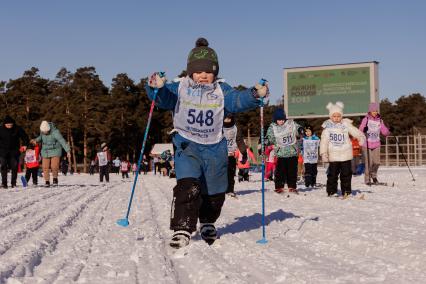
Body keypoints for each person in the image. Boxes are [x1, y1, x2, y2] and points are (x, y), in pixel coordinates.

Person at [145, 37, 268, 248]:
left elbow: (237, 101)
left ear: (215, 73)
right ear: (190, 71)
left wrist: (254, 94)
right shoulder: (180, 87)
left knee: (215, 191)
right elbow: (163, 98)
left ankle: (208, 221)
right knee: (188, 186)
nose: (203, 75)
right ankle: (182, 228)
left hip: (215, 147)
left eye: (208, 71)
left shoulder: (222, 90)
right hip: (187, 144)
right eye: (199, 71)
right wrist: (156, 88)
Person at [320, 102, 365, 197]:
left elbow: (355, 131)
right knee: (332, 175)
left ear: (341, 116)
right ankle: (332, 191)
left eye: (338, 116)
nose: (336, 118)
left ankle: (346, 191)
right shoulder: (327, 128)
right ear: (330, 117)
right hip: (333, 155)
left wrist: (360, 137)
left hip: (345, 154)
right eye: (334, 116)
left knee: (346, 175)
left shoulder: (346, 124)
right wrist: (323, 153)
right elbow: (324, 141)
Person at [266, 109, 303, 194]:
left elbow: (296, 127)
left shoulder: (290, 123)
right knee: (280, 171)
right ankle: (279, 186)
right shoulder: (273, 126)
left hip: (292, 152)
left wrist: (300, 129)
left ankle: (292, 186)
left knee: (292, 171)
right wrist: (268, 140)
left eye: (283, 119)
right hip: (281, 153)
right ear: (275, 120)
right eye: (279, 120)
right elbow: (270, 136)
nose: (281, 121)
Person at [32, 121, 71, 187]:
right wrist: (35, 140)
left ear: (48, 129)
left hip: (55, 150)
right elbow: (40, 137)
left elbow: (62, 141)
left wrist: (68, 151)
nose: (44, 133)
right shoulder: (42, 131)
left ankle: (55, 178)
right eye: (43, 131)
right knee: (45, 167)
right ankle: (47, 181)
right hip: (45, 151)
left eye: (45, 131)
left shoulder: (55, 132)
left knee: (54, 166)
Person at [359, 102, 390, 185]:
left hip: (376, 143)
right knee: (368, 163)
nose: (375, 112)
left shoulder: (379, 120)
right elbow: (360, 129)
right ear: (370, 111)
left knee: (377, 162)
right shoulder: (366, 119)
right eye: (373, 111)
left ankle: (374, 175)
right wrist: (364, 129)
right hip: (367, 143)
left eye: (376, 111)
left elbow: (384, 131)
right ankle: (367, 179)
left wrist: (388, 131)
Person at [0, 115, 29, 188]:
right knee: (3, 166)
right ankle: (4, 183)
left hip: (14, 151)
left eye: (10, 125)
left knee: (14, 166)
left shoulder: (17, 129)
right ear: (4, 124)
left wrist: (25, 145)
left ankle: (13, 183)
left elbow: (25, 137)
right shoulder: (1, 129)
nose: (9, 126)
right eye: (8, 125)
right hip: (3, 151)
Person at [223, 113, 248, 197]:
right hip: (220, 155)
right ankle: (220, 190)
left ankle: (230, 190)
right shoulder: (219, 126)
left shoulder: (235, 128)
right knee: (220, 173)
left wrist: (244, 153)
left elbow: (240, 141)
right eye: (225, 118)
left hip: (231, 155)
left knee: (230, 174)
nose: (227, 120)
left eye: (228, 119)